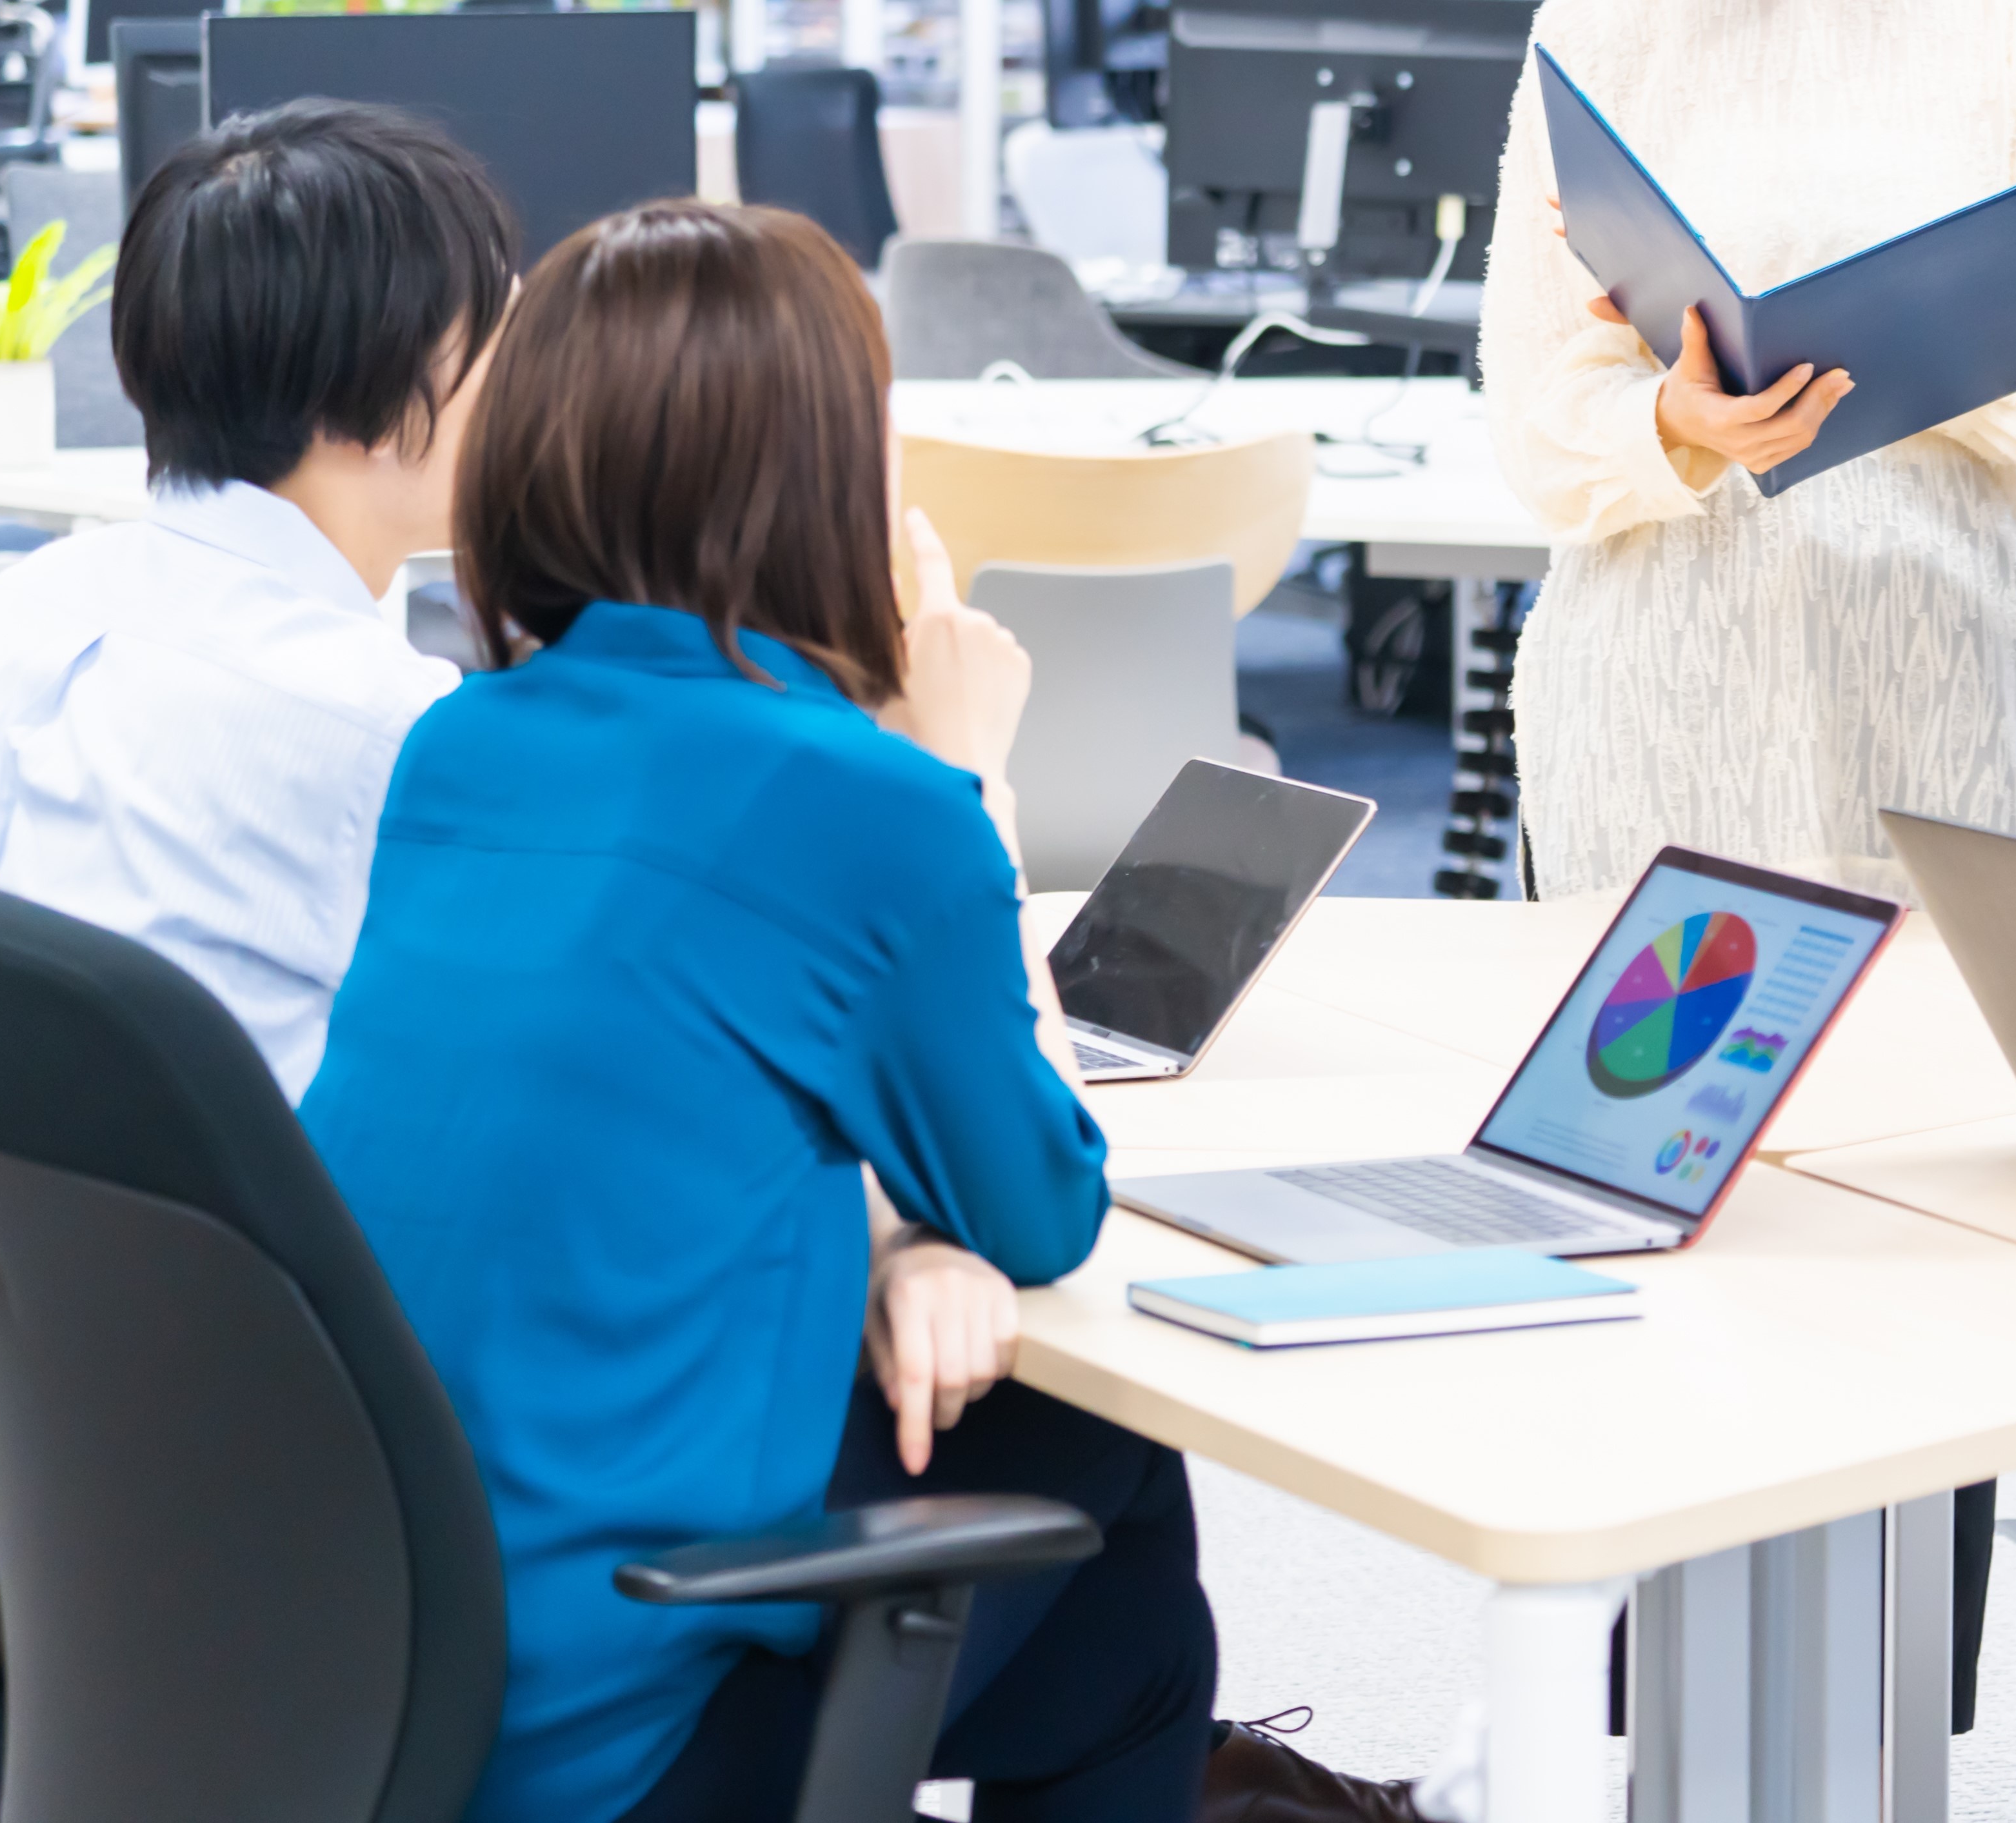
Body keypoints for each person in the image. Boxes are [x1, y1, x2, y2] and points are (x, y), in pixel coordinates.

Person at [299, 200, 1384, 1823]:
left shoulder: (463, 742)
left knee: (1133, 1639)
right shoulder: (869, 802)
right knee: (1107, 1453)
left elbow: (677, 1111)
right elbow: (1042, 1208)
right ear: (828, 475)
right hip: (608, 1728)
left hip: (393, 1663)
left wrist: (896, 1248)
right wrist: (969, 768)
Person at [1476, 0, 2016, 899]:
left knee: (1936, 1004)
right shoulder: (1597, 32)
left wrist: (1832, 336)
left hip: (1944, 696)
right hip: (1657, 711)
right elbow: (1538, 435)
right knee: (1666, 1009)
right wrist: (1676, 419)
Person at [0, 100, 506, 1097]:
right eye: (500, 352)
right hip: (288, 1200)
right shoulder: (394, 727)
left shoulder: (18, 607)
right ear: (381, 402)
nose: (531, 396)